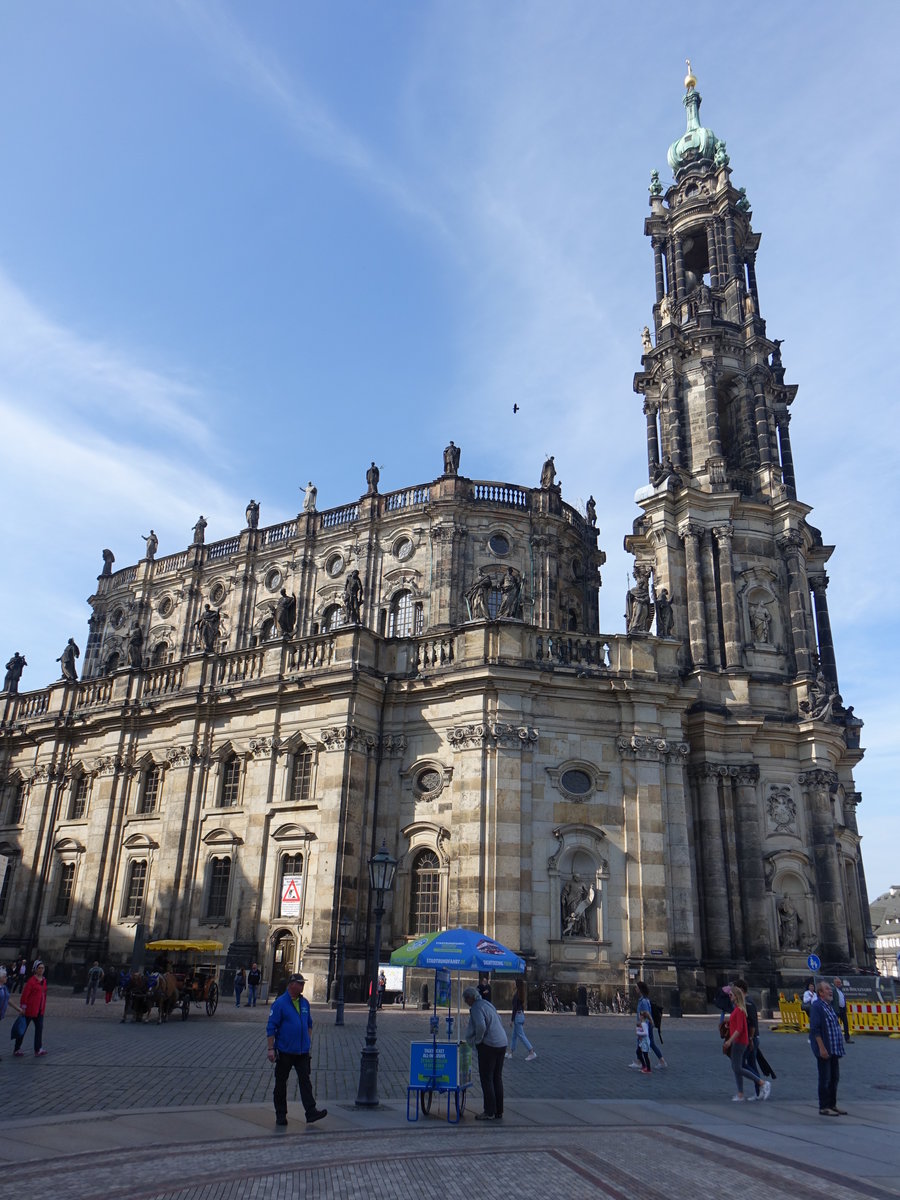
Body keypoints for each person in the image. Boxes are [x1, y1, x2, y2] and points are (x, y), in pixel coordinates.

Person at [265, 972, 327, 1128]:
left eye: (303, 983)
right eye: (300, 983)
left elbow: (309, 1024)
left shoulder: (305, 1002)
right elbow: (271, 1027)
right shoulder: (280, 1003)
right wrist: (271, 1048)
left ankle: (311, 1112)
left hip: (302, 1052)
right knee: (281, 1083)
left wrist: (307, 1040)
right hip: (285, 1050)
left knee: (305, 1082)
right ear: (292, 985)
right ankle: (280, 1114)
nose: (303, 986)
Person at [463, 984, 508, 1121]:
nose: (466, 1003)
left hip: (490, 1045)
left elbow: (481, 1025)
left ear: (471, 998)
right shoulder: (487, 1004)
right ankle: (498, 1111)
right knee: (497, 1077)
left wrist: (478, 1040)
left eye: (466, 1000)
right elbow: (498, 1019)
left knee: (486, 1078)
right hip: (502, 1042)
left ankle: (489, 1111)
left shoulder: (476, 1008)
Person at [723, 984, 769, 1102]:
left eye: (731, 995)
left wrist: (729, 1040)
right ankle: (740, 1094)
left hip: (739, 1042)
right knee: (736, 1067)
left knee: (738, 1068)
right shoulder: (738, 1009)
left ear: (736, 996)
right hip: (739, 1041)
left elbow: (740, 1029)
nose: (729, 997)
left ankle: (762, 1083)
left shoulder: (739, 1010)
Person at [809, 979, 847, 1115]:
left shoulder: (829, 1006)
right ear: (820, 993)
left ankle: (832, 1105)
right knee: (825, 1078)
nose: (830, 990)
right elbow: (815, 1029)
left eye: (830, 988)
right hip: (825, 1049)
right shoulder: (817, 1007)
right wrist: (821, 1048)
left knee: (834, 1078)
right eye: (827, 989)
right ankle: (824, 1107)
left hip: (834, 1048)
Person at [14, 959, 48, 1056]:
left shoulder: (44, 981)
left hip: (40, 1010)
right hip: (30, 1009)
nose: (41, 970)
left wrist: (43, 1007)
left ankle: (38, 1049)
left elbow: (44, 995)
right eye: (39, 968)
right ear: (35, 969)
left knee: (39, 1029)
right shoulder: (31, 981)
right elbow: (25, 995)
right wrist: (23, 1008)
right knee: (23, 1029)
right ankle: (17, 1048)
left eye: (42, 968)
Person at [632, 980, 666, 1069]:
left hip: (645, 1025)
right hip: (645, 1025)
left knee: (643, 1043)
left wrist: (643, 1026)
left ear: (640, 989)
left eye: (636, 987)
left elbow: (646, 1013)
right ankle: (640, 1061)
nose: (635, 989)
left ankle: (643, 1063)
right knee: (648, 1043)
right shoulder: (644, 1000)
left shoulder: (643, 1001)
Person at [507, 979, 537, 1062]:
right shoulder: (521, 993)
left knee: (521, 1035)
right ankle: (510, 1052)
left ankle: (531, 1052)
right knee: (514, 1036)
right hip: (520, 1015)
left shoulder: (517, 995)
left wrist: (512, 1020)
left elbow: (515, 1008)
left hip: (517, 1016)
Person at [832, 977, 852, 1042]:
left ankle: (847, 1038)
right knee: (835, 1025)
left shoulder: (840, 990)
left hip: (842, 1009)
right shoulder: (833, 990)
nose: (839, 984)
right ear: (834, 983)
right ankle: (835, 1038)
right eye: (838, 982)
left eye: (840, 982)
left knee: (846, 1024)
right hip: (837, 1010)